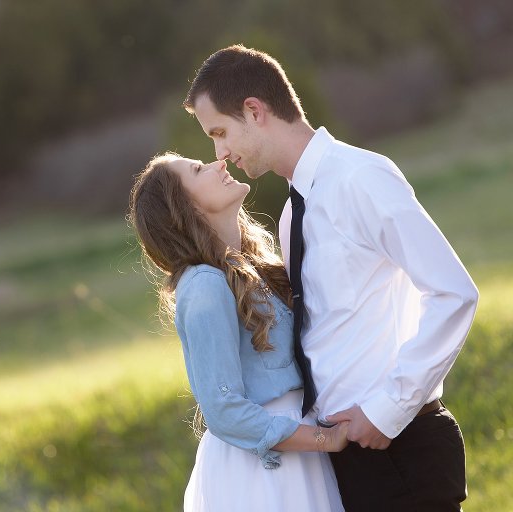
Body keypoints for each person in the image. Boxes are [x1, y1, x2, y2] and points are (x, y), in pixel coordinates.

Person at [183, 44, 479, 512]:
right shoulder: (291, 213)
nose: (220, 153)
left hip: (398, 446)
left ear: (254, 111)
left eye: (219, 133)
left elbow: (453, 293)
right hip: (345, 459)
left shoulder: (360, 178)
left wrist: (388, 408)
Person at [129, 152, 346, 511]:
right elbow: (222, 409)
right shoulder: (204, 285)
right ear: (186, 208)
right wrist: (326, 439)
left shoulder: (250, 267)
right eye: (199, 170)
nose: (219, 165)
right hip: (266, 471)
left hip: (299, 451)